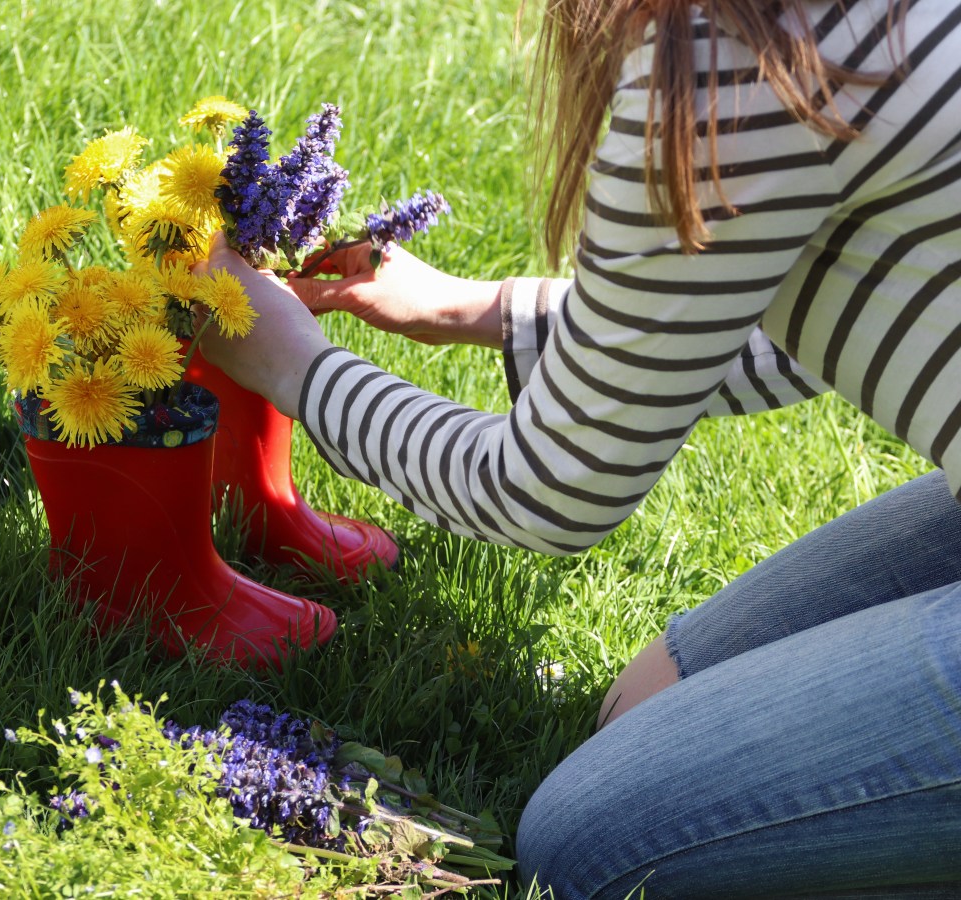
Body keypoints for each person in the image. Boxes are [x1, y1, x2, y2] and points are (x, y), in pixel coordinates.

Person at [196, 0, 961, 894]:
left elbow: (549, 490)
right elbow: (836, 317)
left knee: (590, 849)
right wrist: (479, 311)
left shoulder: (739, 53)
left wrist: (292, 364)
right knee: (640, 709)